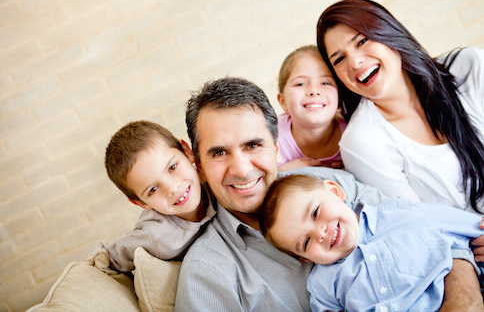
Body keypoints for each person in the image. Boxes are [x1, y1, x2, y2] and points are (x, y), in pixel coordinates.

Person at [174, 76, 484, 311]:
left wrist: (465, 298)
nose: (241, 169)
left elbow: (419, 230)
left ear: (277, 146)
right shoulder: (207, 272)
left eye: (253, 145)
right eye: (219, 153)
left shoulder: (324, 182)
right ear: (197, 164)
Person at [316, 0, 484, 217]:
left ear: (388, 33)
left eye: (362, 41)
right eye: (339, 59)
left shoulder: (469, 66)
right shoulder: (362, 142)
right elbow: (421, 224)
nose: (355, 62)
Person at [261, 174, 484, 311]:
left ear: (335, 191)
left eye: (316, 213)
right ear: (305, 259)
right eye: (307, 241)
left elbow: (472, 226)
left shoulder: (406, 214)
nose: (320, 233)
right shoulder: (322, 284)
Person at [91, 121, 215, 272]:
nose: (172, 188)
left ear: (187, 151)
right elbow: (106, 256)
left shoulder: (216, 179)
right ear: (141, 203)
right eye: (153, 189)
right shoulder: (154, 236)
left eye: (172, 167)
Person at [276, 45, 346, 171]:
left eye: (325, 83)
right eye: (300, 84)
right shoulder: (270, 137)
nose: (314, 91)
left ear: (339, 98)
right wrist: (281, 173)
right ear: (283, 101)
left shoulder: (352, 130)